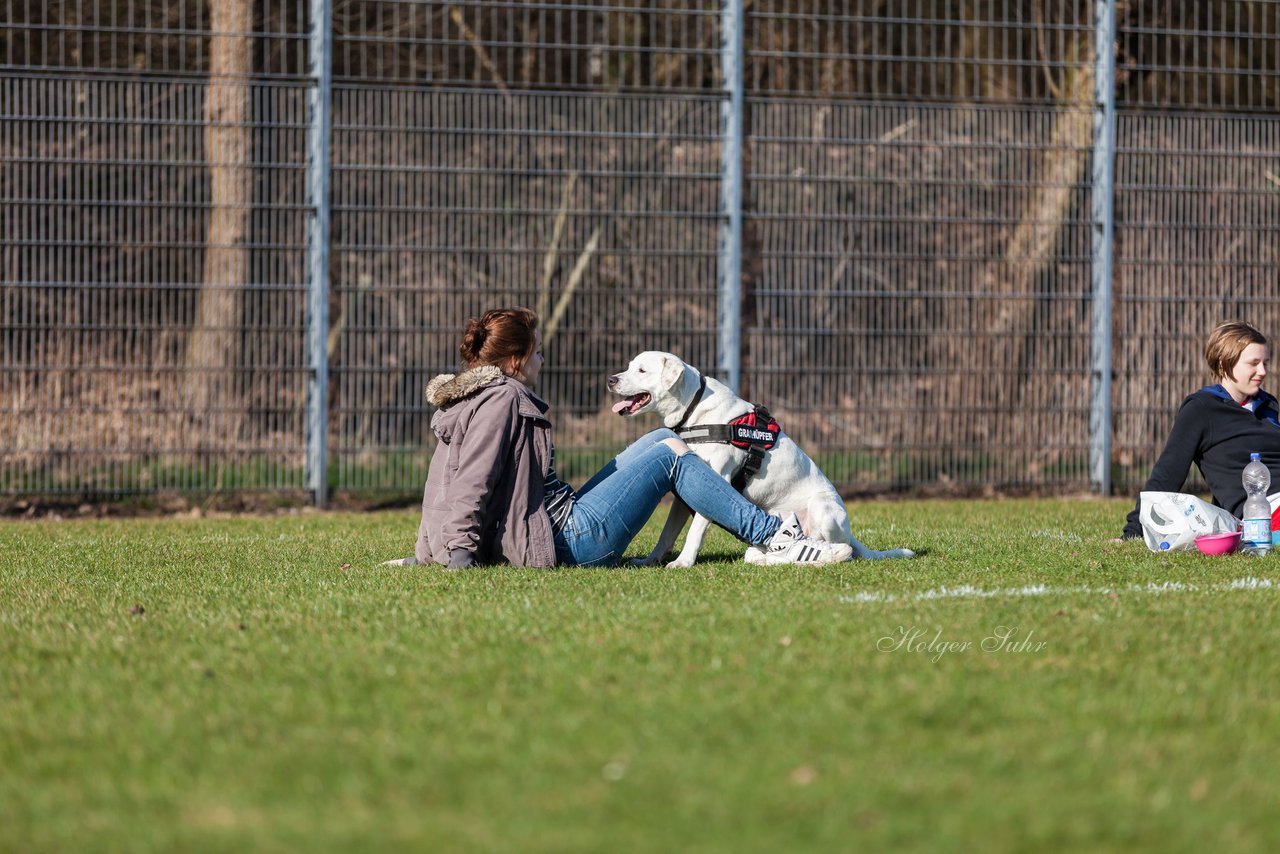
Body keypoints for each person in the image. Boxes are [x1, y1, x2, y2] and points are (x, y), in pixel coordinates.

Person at [400, 307, 853, 568]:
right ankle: (777, 536)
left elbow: (441, 483)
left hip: (560, 520)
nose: (542, 358)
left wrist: (425, 551)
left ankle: (768, 535)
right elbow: (469, 484)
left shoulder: (470, 397)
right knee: (672, 455)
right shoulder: (501, 400)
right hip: (569, 539)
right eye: (537, 351)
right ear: (516, 359)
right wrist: (456, 555)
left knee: (664, 441)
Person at [1122, 320, 1280, 539]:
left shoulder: (1268, 405)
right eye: (1253, 363)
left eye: (1265, 362)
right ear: (1225, 363)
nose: (1262, 371)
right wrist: (1133, 532)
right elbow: (1167, 474)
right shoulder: (1202, 409)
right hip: (1266, 513)